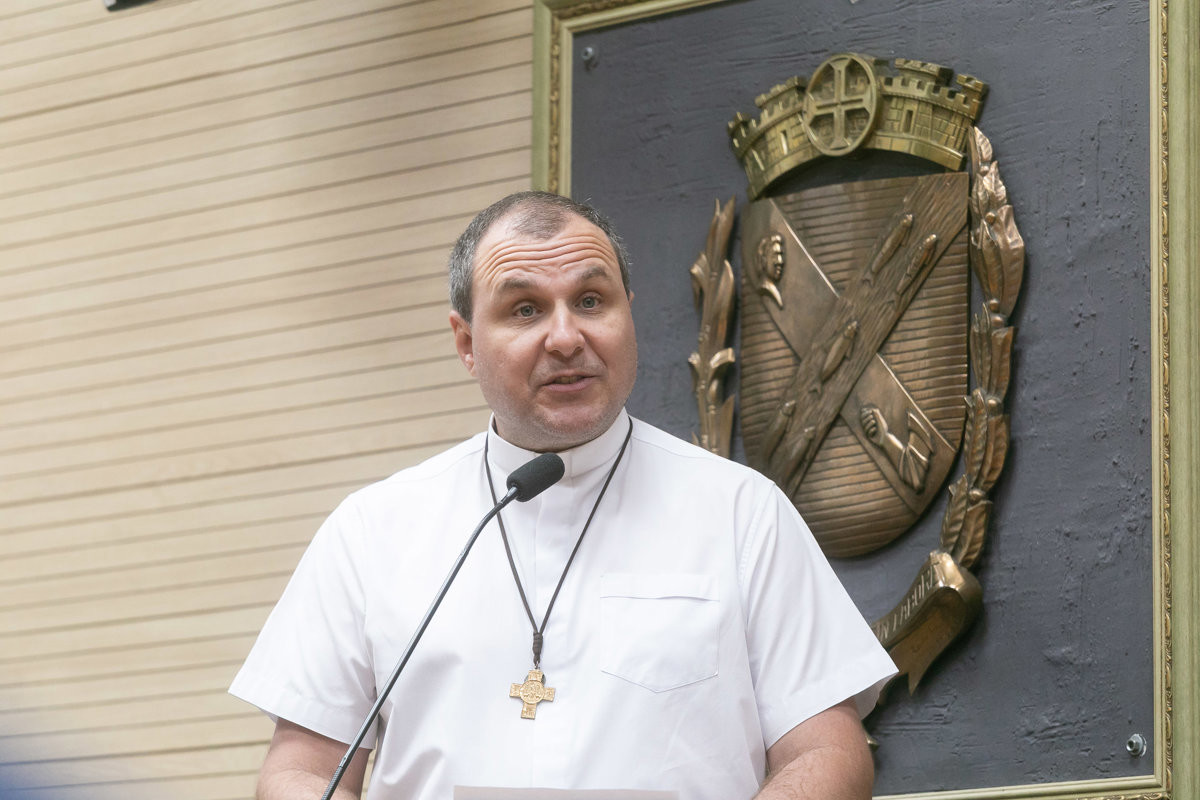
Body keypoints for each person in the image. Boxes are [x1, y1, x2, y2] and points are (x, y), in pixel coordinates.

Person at [230, 191, 897, 800]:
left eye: (590, 301)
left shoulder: (742, 514)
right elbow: (303, 768)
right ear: (466, 343)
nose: (566, 337)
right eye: (525, 309)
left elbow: (827, 753)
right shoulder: (371, 532)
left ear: (628, 316)